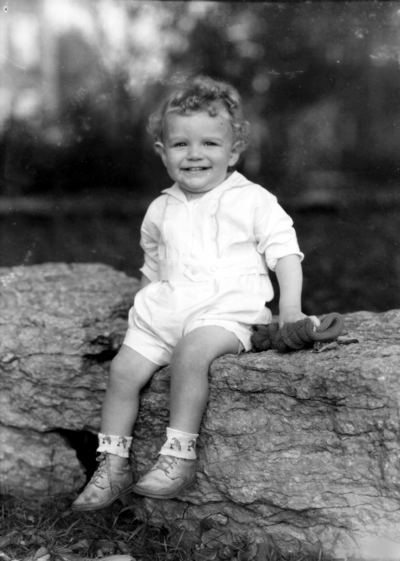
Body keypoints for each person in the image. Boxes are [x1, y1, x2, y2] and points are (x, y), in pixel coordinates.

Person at [71, 75, 319, 511]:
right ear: (162, 153)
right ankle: (112, 465)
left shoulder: (252, 199)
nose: (195, 154)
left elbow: (285, 254)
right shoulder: (160, 208)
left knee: (190, 353)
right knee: (123, 372)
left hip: (227, 311)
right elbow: (154, 268)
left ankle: (178, 456)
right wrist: (140, 324)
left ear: (234, 151)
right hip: (168, 311)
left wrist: (291, 308)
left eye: (210, 143)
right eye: (181, 144)